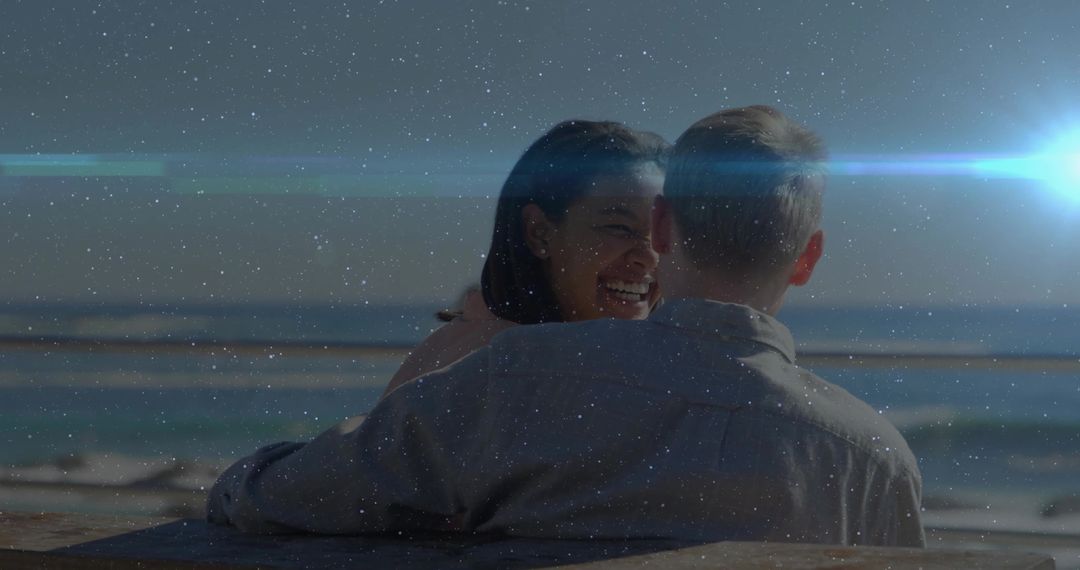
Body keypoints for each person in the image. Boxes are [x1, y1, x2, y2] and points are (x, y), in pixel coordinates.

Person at [207, 105, 925, 547]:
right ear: (808, 259)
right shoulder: (872, 457)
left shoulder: (514, 381)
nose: (640, 254)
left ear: (667, 227)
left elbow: (293, 494)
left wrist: (245, 480)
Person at [382, 120, 668, 397]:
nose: (649, 256)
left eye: (663, 234)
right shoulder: (509, 371)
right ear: (539, 233)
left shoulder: (498, 348)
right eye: (619, 227)